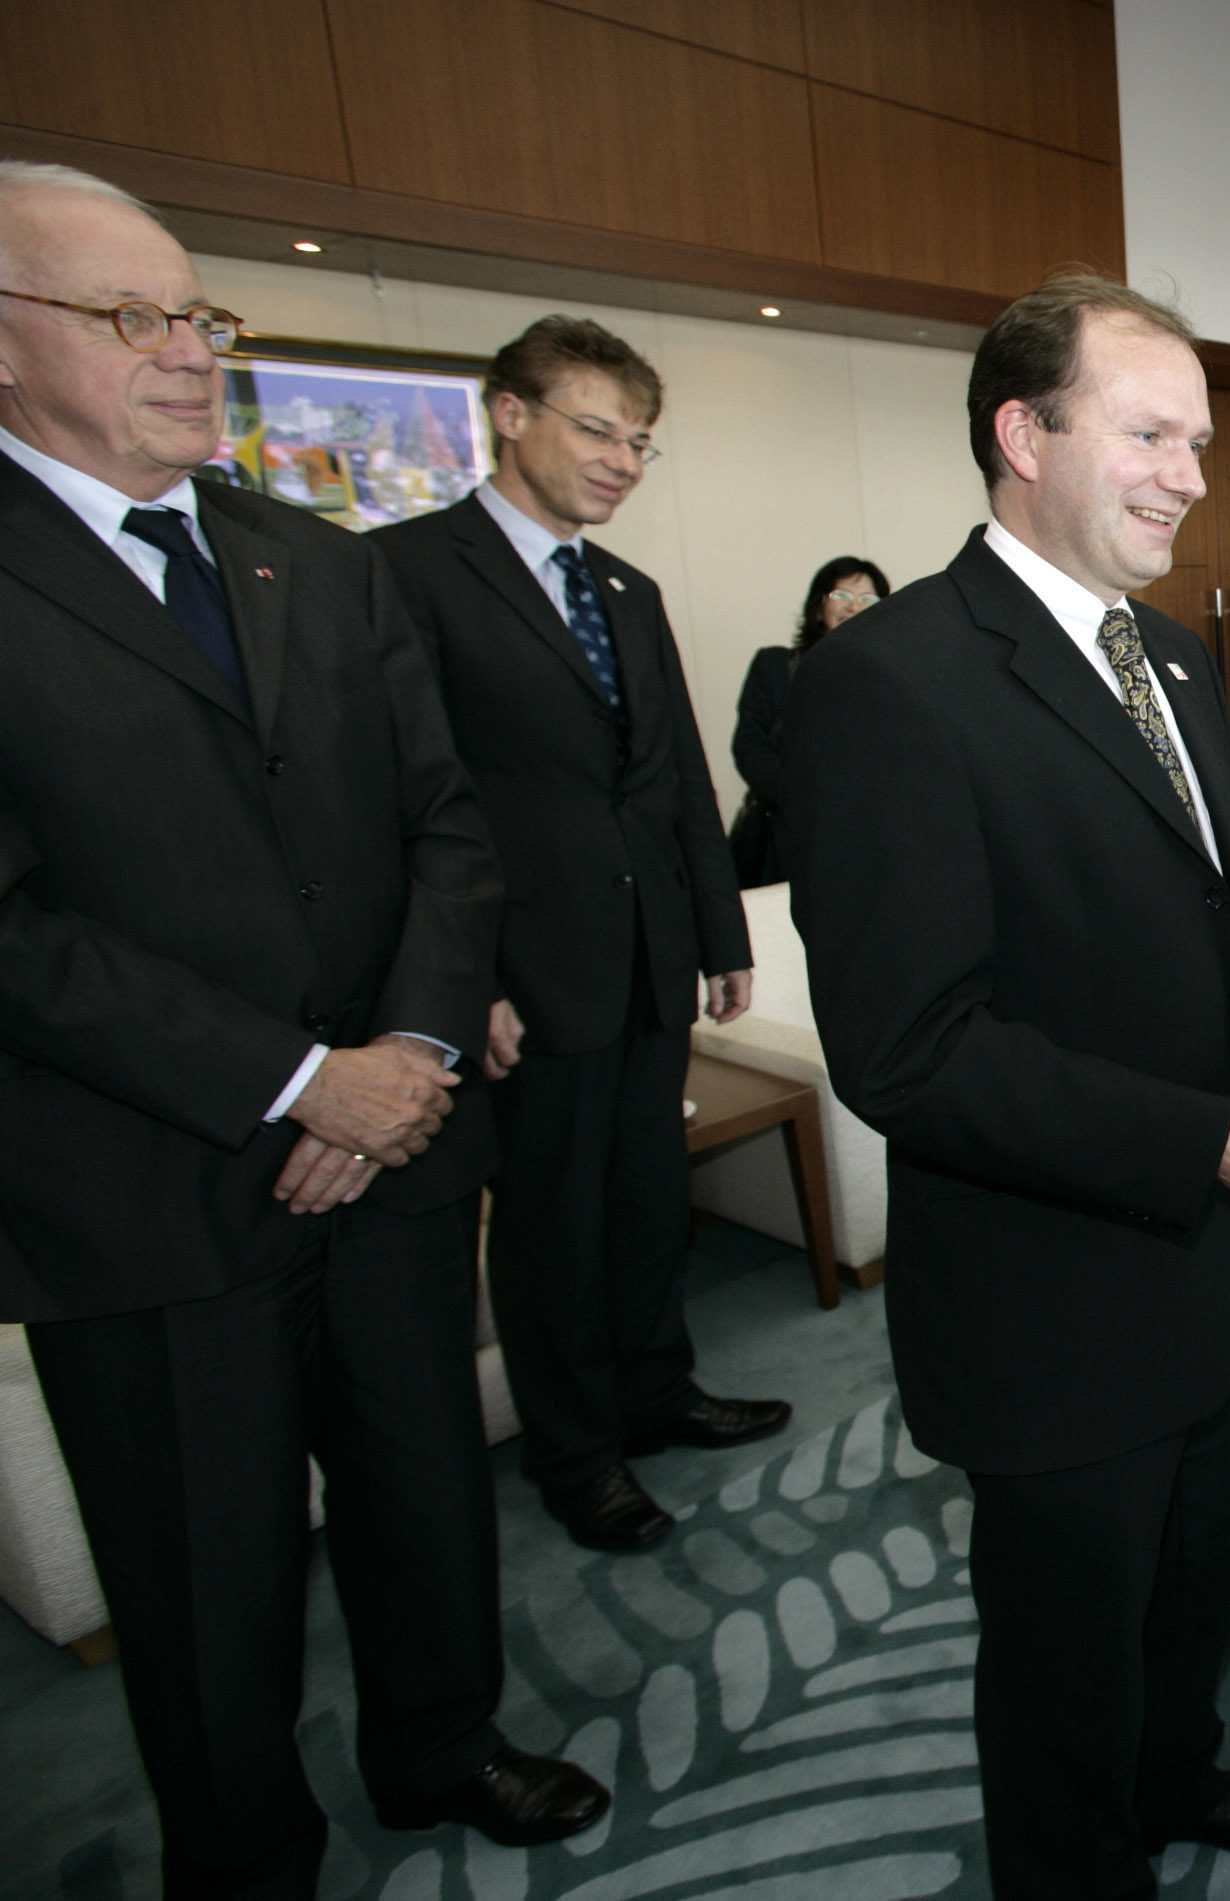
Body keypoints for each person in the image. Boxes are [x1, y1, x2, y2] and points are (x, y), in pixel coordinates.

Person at [0, 161, 605, 1894]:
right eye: (134, 317)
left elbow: (447, 827)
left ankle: (441, 1743)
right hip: (152, 1194)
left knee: (425, 1489)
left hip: (397, 1155)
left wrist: (403, 1062)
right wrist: (294, 1085)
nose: (193, 351)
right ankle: (243, 1849)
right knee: (208, 1571)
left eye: (202, 313)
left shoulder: (314, 564)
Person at [784, 273, 1230, 1898]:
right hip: (1049, 1294)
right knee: (1064, 1650)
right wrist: (1211, 1138)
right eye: (1150, 436)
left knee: (1198, 1576)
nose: (1189, 477)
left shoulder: (1175, 664)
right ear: (1024, 434)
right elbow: (911, 1048)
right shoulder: (887, 683)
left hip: (1204, 1264)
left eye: (1196, 441)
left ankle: (1173, 1778)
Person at [375, 316, 787, 1555]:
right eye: (599, 430)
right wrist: (462, 982)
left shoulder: (625, 589)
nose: (621, 461)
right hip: (523, 972)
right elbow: (399, 800)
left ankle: (657, 1389)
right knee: (553, 1227)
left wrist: (719, 931)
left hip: (649, 956)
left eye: (640, 442)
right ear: (510, 414)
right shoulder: (405, 572)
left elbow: (673, 781)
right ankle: (575, 1452)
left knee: (651, 1202)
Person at [730, 554, 887, 887]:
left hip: (867, 838)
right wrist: (808, 800)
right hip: (790, 835)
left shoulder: (891, 681)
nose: (854, 606)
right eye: (841, 595)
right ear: (818, 609)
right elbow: (749, 747)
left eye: (868, 599)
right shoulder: (774, 667)